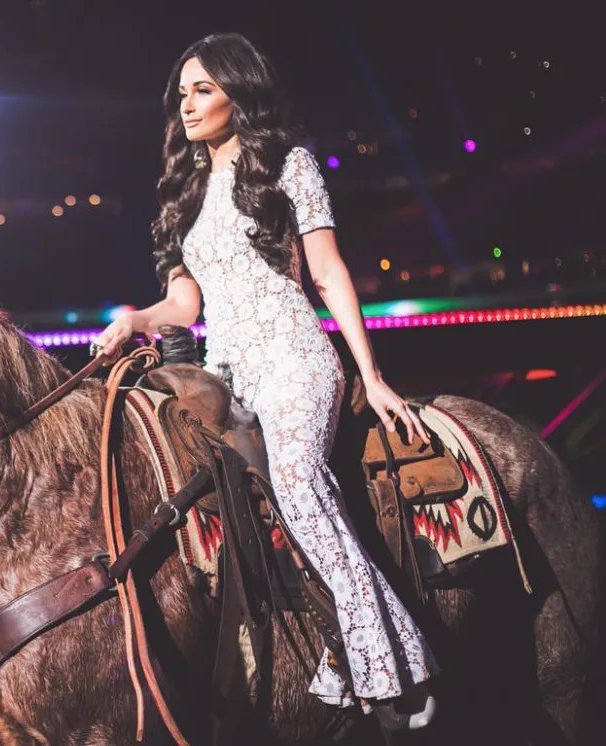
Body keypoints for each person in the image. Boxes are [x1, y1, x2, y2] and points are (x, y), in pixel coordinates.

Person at [92, 32, 438, 728]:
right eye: (182, 93)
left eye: (203, 90)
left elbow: (330, 272)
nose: (186, 105)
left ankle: (389, 662)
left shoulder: (288, 162)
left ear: (238, 92)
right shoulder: (183, 190)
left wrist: (370, 377)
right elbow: (186, 304)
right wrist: (137, 317)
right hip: (222, 373)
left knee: (299, 481)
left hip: (291, 357)